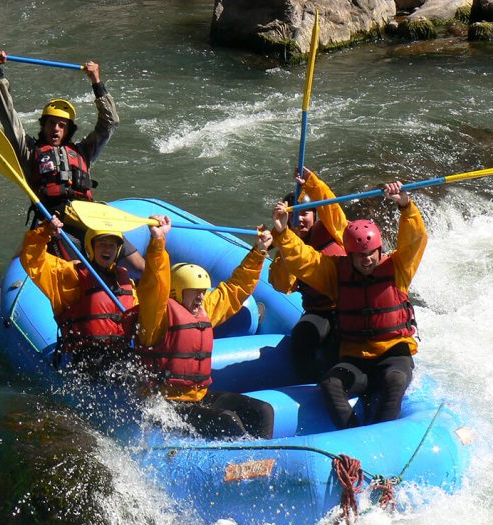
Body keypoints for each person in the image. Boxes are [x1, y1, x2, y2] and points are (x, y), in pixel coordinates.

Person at [271, 181, 427, 430]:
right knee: (331, 383)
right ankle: (352, 434)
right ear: (350, 254)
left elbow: (414, 240)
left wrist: (405, 206)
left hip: (393, 354)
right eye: (360, 256)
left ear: (379, 251)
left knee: (395, 382)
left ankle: (379, 435)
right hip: (357, 358)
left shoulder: (398, 268)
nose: (366, 261)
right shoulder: (336, 273)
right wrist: (283, 234)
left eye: (370, 254)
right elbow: (305, 260)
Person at [0, 50, 145, 273]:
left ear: (69, 129)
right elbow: (8, 115)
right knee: (79, 269)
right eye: (51, 123)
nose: (56, 129)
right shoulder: (29, 150)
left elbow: (110, 123)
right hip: (53, 225)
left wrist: (97, 83)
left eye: (62, 125)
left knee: (139, 265)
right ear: (43, 125)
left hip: (87, 218)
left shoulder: (83, 151)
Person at [135, 215, 276, 439]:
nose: (201, 296)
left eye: (203, 290)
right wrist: (158, 242)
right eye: (195, 291)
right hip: (165, 404)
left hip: (197, 396)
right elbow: (154, 285)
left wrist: (259, 252)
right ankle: (238, 466)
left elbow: (234, 289)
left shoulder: (204, 310)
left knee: (262, 411)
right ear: (178, 291)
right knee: (228, 421)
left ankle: (262, 461)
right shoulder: (157, 317)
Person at [19, 216, 138, 375]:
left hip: (121, 359)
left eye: (111, 245)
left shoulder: (126, 283)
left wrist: (157, 241)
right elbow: (33, 261)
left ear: (117, 250)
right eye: (101, 244)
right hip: (85, 360)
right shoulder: (72, 275)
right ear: (91, 247)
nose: (107, 250)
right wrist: (45, 231)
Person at [268, 168, 348, 382]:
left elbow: (331, 206)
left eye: (304, 213)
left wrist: (311, 183)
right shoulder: (288, 245)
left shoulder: (333, 230)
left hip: (347, 307)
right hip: (319, 311)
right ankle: (310, 386)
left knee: (340, 349)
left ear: (315, 215)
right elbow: (283, 285)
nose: (299, 219)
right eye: (293, 215)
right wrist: (284, 235)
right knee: (302, 338)